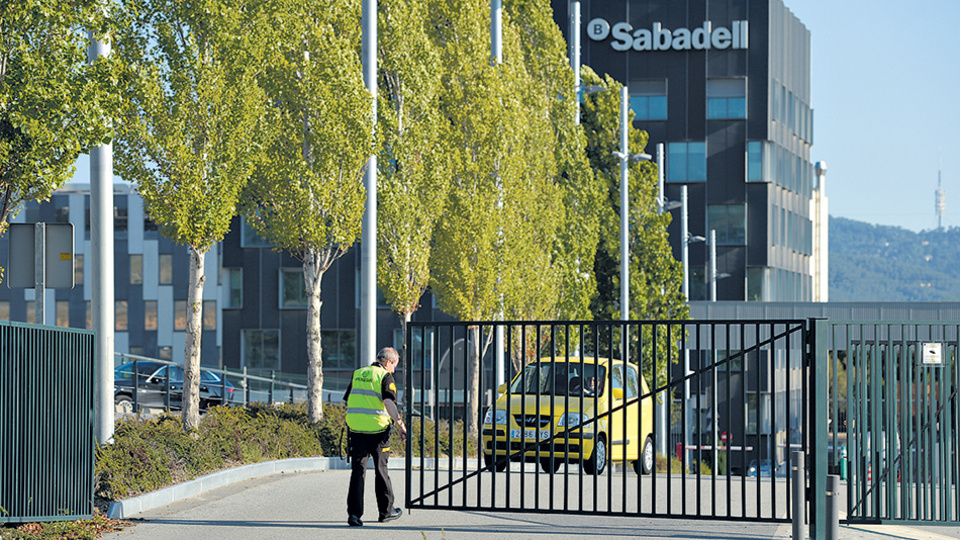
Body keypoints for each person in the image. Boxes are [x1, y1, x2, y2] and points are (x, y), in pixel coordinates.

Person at [344, 347, 407, 527]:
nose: (394, 369)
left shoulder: (358, 373)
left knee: (358, 471)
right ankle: (386, 512)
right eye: (394, 365)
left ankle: (354, 515)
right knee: (381, 469)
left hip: (356, 430)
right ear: (388, 362)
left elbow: (349, 399)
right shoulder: (385, 376)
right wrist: (401, 424)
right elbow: (388, 401)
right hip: (378, 432)